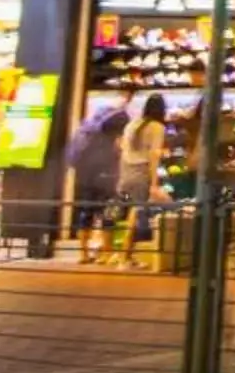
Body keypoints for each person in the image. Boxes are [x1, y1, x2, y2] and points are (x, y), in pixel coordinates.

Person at [114, 96, 169, 270]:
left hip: (126, 171)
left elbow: (122, 147)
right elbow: (154, 156)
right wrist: (154, 183)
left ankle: (126, 255)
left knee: (129, 212)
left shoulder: (133, 124)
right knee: (135, 214)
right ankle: (124, 257)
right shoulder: (158, 127)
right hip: (141, 172)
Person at [68, 112, 123, 264]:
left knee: (85, 217)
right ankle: (106, 253)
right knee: (108, 216)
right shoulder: (111, 140)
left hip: (84, 181)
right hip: (105, 181)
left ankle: (83, 254)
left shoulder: (85, 135)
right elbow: (115, 159)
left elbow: (73, 161)